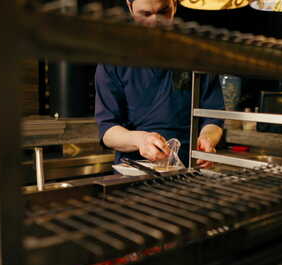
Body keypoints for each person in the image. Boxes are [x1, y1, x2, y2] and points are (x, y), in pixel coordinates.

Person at [95, 0, 225, 168]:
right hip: (134, 171)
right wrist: (140, 140)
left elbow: (213, 116)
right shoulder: (112, 59)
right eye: (146, 14)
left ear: (175, 5)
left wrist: (208, 139)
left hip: (189, 169)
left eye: (164, 11)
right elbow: (108, 130)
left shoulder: (197, 53)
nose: (156, 22)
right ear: (129, 7)